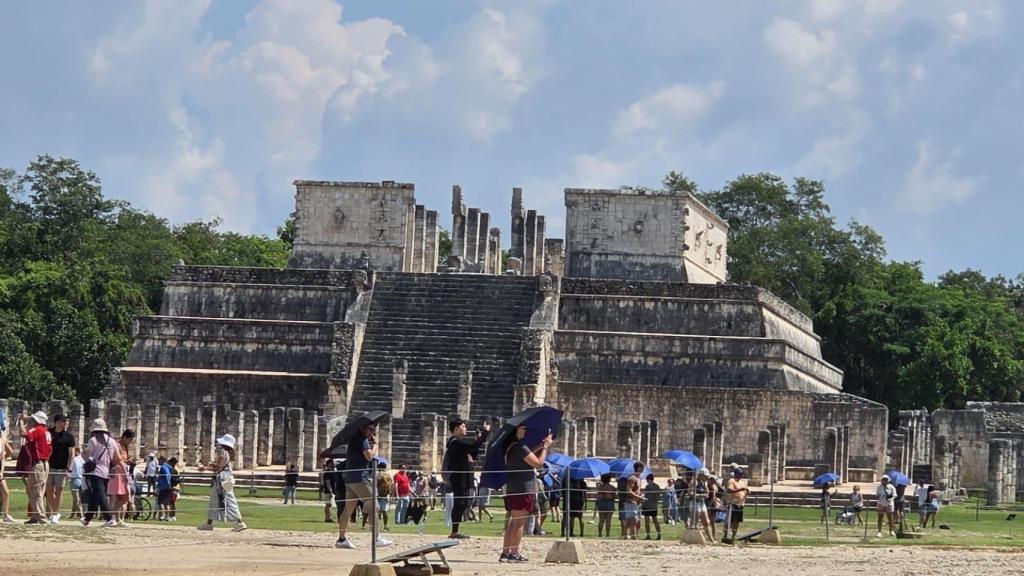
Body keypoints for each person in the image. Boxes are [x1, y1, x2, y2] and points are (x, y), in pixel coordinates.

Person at [335, 420, 392, 549]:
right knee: (374, 506)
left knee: (348, 509)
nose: (372, 432)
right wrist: (376, 445)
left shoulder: (355, 440)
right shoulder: (362, 440)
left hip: (350, 479)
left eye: (373, 430)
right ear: (362, 429)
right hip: (360, 478)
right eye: (370, 429)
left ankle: (341, 538)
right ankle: (376, 538)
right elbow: (369, 456)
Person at [500, 425, 553, 563]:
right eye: (523, 428)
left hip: (514, 488)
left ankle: (506, 552)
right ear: (516, 430)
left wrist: (539, 446)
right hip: (523, 489)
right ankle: (514, 552)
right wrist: (546, 447)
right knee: (519, 523)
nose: (525, 430)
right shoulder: (519, 447)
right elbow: (538, 464)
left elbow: (526, 457)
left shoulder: (512, 447)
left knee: (513, 522)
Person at [443, 418, 490, 538]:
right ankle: (454, 531)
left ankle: (456, 530)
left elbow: (473, 453)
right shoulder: (455, 442)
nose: (465, 429)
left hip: (467, 476)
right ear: (456, 428)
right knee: (460, 503)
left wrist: (478, 440)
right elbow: (471, 447)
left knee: (465, 503)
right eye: (463, 427)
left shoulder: (460, 443)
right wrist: (484, 434)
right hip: (460, 477)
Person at [198, 433, 246, 532]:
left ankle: (240, 522)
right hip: (224, 478)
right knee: (216, 500)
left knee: (228, 499)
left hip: (223, 479)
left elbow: (218, 467)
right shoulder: (226, 453)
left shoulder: (223, 453)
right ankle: (209, 523)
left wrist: (205, 468)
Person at [82, 418, 120, 527]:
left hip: (95, 471)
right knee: (96, 495)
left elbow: (88, 456)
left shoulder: (93, 440)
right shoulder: (112, 441)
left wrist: (84, 455)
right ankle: (87, 518)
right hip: (107, 471)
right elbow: (116, 458)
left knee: (100, 495)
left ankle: (109, 518)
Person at [19, 411, 52, 524]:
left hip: (38, 464)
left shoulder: (38, 429)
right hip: (45, 463)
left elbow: (24, 434)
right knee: (34, 490)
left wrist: (21, 422)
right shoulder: (46, 432)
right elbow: (50, 450)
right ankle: (36, 515)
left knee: (35, 491)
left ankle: (41, 517)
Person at [44, 413, 75, 525]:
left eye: (65, 421)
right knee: (48, 490)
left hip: (62, 468)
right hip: (49, 466)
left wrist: (69, 469)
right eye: (62, 421)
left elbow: (71, 454)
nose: (65, 423)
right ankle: (54, 512)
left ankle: (55, 513)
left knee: (59, 490)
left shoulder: (69, 436)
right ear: (56, 422)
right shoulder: (48, 433)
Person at [107, 429, 135, 526]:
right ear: (125, 437)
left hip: (123, 473)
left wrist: (127, 461)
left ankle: (116, 518)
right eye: (129, 440)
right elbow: (115, 460)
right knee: (116, 497)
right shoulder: (116, 446)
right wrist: (126, 462)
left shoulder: (125, 447)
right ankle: (114, 519)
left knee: (124, 497)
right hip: (116, 474)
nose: (130, 442)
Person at [723, 467, 749, 542]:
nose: (740, 476)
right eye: (739, 474)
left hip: (740, 504)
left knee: (736, 521)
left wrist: (746, 491)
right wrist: (740, 490)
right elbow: (729, 490)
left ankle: (733, 537)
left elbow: (745, 489)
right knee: (730, 521)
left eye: (741, 474)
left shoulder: (742, 482)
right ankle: (725, 535)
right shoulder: (732, 481)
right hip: (733, 504)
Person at [365, 461, 392, 531]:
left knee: (375, 511)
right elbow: (391, 484)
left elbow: (373, 484)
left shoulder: (377, 474)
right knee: (385, 511)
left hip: (377, 494)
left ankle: (374, 525)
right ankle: (385, 526)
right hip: (385, 495)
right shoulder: (388, 475)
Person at [692, 468, 714, 542]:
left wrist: (705, 493)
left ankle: (711, 540)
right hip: (695, 502)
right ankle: (693, 539)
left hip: (701, 503)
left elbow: (707, 492)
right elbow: (690, 493)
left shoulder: (704, 482)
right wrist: (701, 495)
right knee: (695, 522)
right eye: (705, 476)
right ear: (701, 475)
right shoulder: (694, 482)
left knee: (707, 522)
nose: (707, 478)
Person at [642, 473, 662, 540]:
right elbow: (658, 497)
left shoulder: (648, 486)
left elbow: (646, 496)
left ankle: (648, 535)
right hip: (654, 506)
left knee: (647, 522)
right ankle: (659, 535)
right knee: (655, 521)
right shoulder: (657, 486)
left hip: (647, 505)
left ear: (648, 479)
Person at [595, 473, 616, 537]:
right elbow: (614, 496)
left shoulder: (600, 487)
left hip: (601, 503)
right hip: (609, 503)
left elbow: (598, 496)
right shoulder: (612, 487)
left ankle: (600, 534)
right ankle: (607, 534)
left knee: (601, 520)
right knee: (608, 521)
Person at [0, 435, 14, 523]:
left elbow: (2, 459)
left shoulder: (1, 441)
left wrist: (1, 471)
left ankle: (6, 515)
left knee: (6, 492)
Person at [68, 447, 85, 519]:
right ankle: (72, 514)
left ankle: (81, 514)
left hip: (75, 479)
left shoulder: (73, 460)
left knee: (76, 499)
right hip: (82, 479)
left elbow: (70, 469)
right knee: (79, 499)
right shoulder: (83, 460)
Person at [157, 455, 174, 521]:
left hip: (164, 487)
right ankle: (167, 517)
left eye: (159, 460)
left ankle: (163, 515)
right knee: (167, 503)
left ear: (162, 460)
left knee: (161, 502)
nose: (158, 461)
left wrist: (168, 484)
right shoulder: (169, 467)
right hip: (168, 487)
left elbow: (167, 476)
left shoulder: (163, 467)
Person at [168, 456, 181, 521]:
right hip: (174, 487)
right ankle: (171, 515)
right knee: (171, 502)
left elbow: (176, 480)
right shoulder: (173, 469)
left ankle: (172, 515)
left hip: (174, 488)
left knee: (172, 502)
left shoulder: (174, 470)